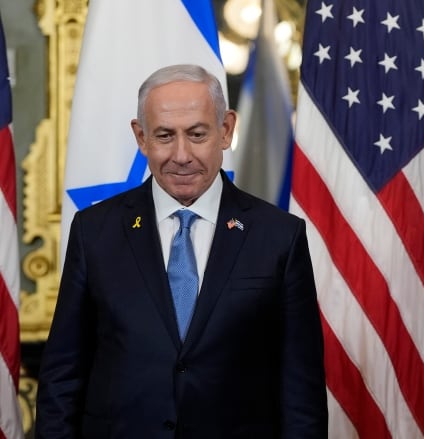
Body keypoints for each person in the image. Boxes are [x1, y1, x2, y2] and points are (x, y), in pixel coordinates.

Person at [36, 64, 327, 438]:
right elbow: (63, 375)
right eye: (164, 136)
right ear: (141, 138)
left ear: (226, 130)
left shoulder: (278, 235)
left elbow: (301, 392)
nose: (182, 155)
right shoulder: (95, 232)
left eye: (197, 134)